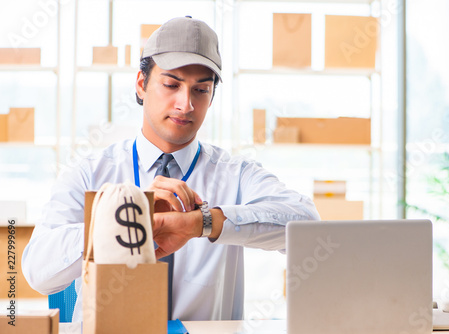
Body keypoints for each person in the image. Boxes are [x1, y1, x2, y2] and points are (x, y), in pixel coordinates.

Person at [22, 16, 319, 322]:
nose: (185, 104)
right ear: (141, 84)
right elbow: (37, 273)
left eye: (200, 90)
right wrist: (126, 216)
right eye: (171, 84)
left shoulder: (236, 173)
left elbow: (307, 226)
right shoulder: (90, 171)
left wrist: (202, 223)